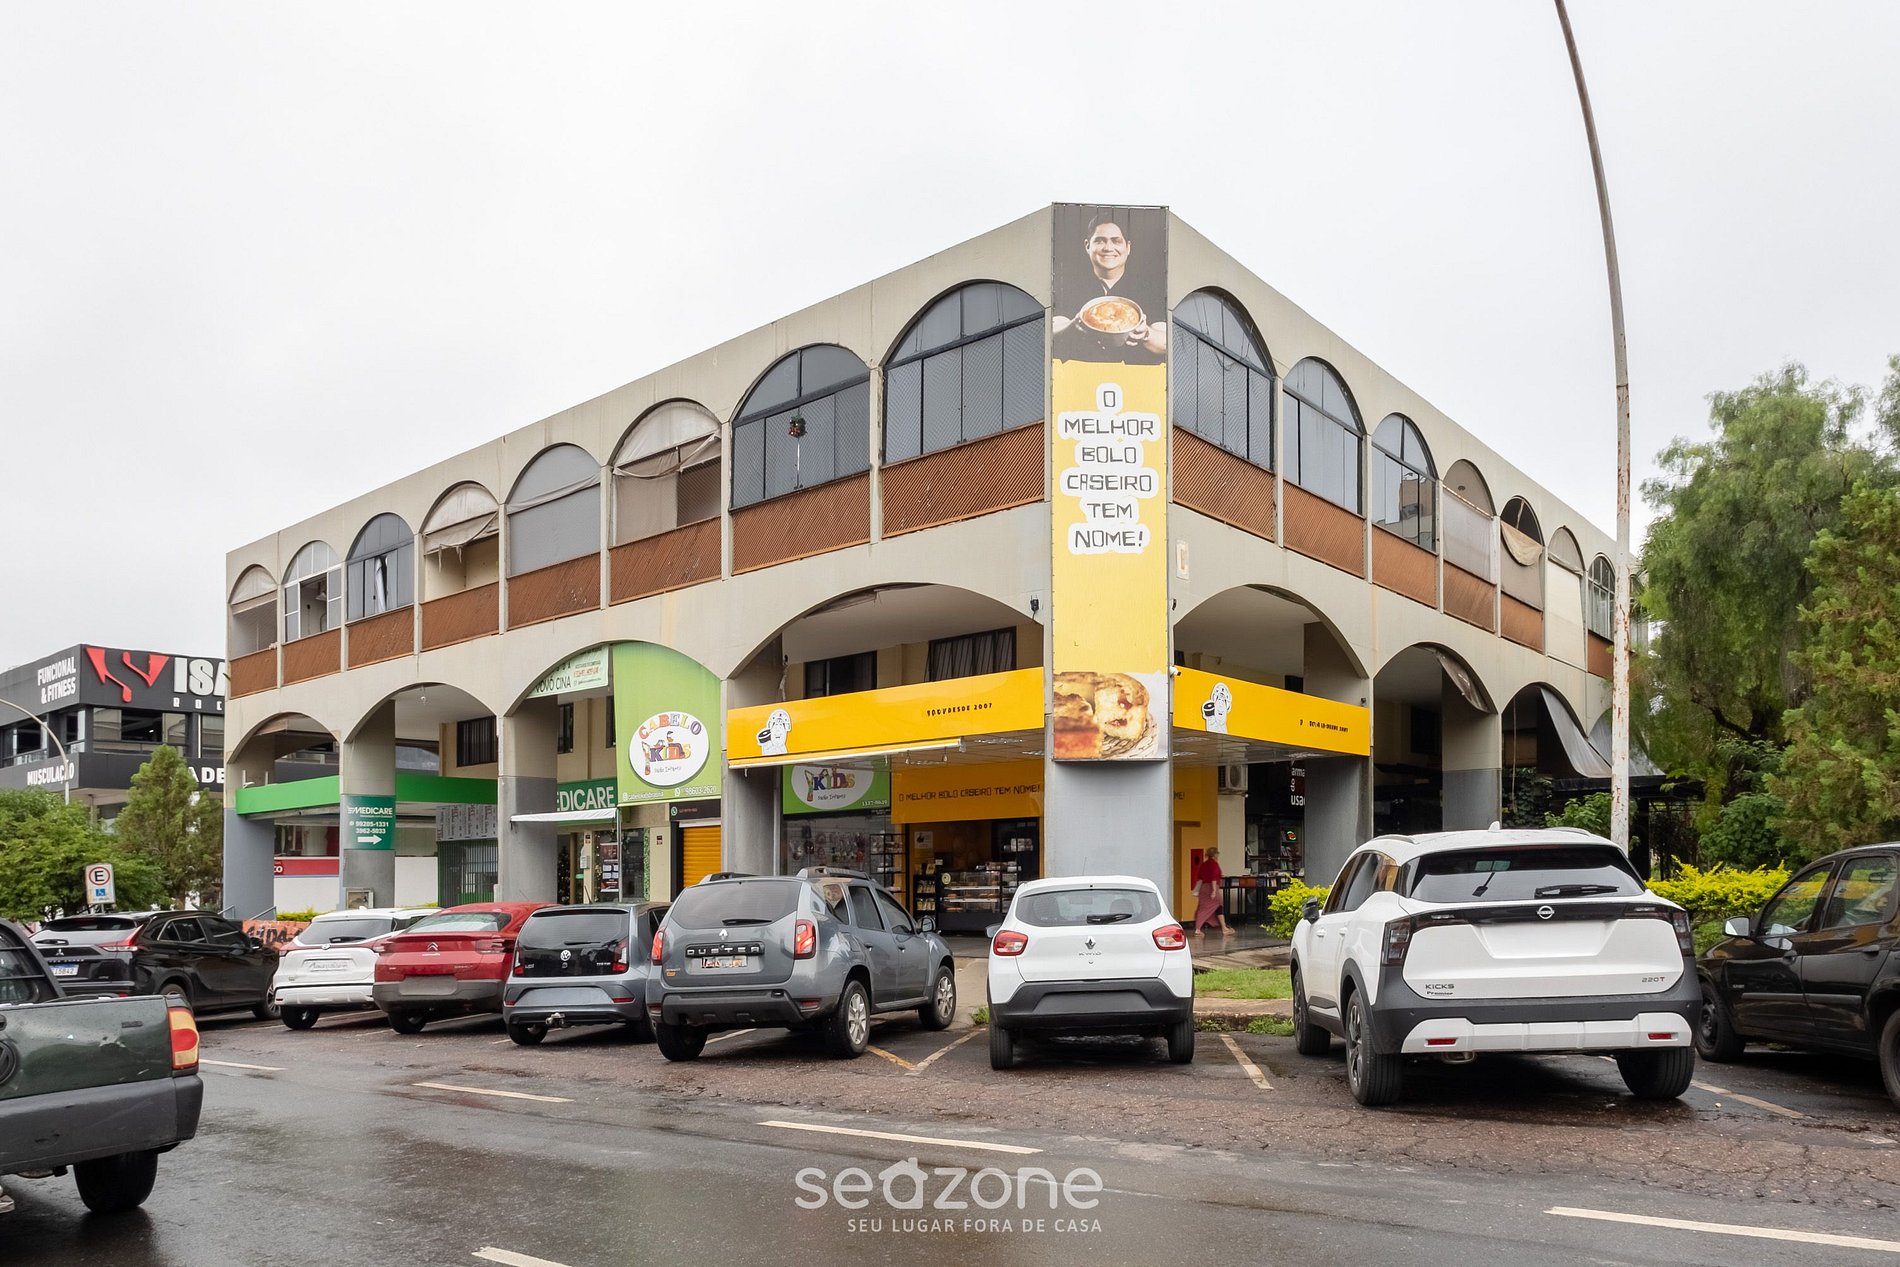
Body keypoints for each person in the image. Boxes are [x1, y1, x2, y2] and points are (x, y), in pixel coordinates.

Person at [1052, 208, 1168, 364]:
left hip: (1135, 375)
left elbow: (1167, 343)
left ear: (1128, 247)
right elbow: (1051, 333)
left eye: (1116, 241)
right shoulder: (1069, 287)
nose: (1108, 247)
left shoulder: (1148, 289)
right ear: (1087, 246)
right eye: (1100, 240)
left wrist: (1146, 334)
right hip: (1082, 374)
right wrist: (1074, 326)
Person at [1192, 847, 1228, 938]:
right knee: (1215, 905)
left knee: (1208, 907)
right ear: (1215, 854)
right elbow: (1214, 878)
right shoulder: (1214, 864)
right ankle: (1198, 929)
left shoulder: (1204, 864)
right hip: (1211, 888)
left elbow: (1200, 876)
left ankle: (1224, 928)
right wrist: (1214, 891)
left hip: (1203, 888)